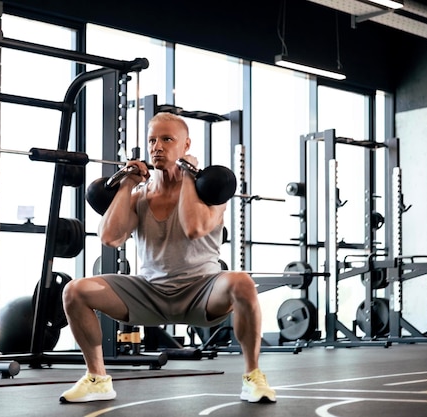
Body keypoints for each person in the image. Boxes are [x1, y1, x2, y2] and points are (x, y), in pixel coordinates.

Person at [59, 112, 276, 404]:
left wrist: (187, 175)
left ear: (186, 145)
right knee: (75, 291)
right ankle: (97, 379)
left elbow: (194, 227)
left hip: (203, 291)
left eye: (166, 139)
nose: (157, 147)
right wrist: (126, 184)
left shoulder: (211, 193)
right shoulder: (139, 196)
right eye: (152, 140)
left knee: (242, 283)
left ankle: (253, 377)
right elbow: (110, 238)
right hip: (149, 293)